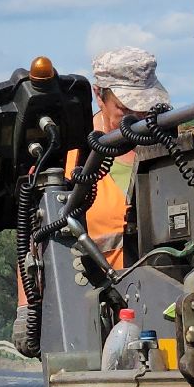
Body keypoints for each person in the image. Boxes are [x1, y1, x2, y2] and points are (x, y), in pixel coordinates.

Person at [79, 46, 170, 269]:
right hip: (97, 299)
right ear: (98, 95)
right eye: (126, 108)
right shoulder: (72, 156)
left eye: (145, 107)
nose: (138, 118)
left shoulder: (174, 147)